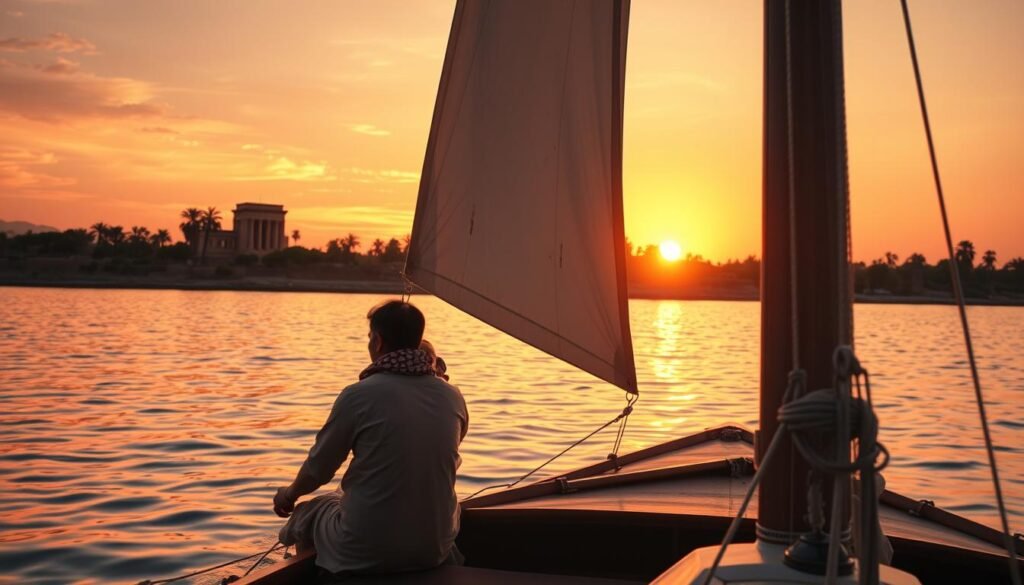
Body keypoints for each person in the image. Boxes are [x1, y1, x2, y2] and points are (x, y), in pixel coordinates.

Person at [274, 300, 469, 576]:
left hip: (366, 547)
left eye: (369, 337)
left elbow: (318, 469)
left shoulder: (358, 394)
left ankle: (321, 575)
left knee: (311, 510)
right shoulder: (453, 396)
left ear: (377, 341)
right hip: (433, 549)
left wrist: (288, 495)